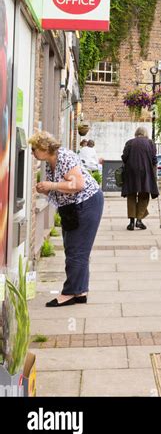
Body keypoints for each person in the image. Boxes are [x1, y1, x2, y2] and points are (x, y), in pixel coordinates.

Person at [29, 130, 104, 307]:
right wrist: (48, 189)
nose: (32, 152)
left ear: (44, 147)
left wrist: (52, 185)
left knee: (76, 250)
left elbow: (78, 184)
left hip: (87, 203)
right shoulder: (50, 161)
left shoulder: (64, 157)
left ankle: (69, 293)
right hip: (72, 207)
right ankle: (80, 291)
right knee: (75, 249)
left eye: (34, 149)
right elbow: (64, 186)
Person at [121, 126, 159, 230]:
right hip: (145, 173)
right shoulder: (150, 143)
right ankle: (139, 220)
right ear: (145, 133)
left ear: (136, 133)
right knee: (144, 195)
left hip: (131, 172)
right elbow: (154, 160)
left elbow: (124, 158)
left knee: (131, 195)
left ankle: (132, 223)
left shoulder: (129, 142)